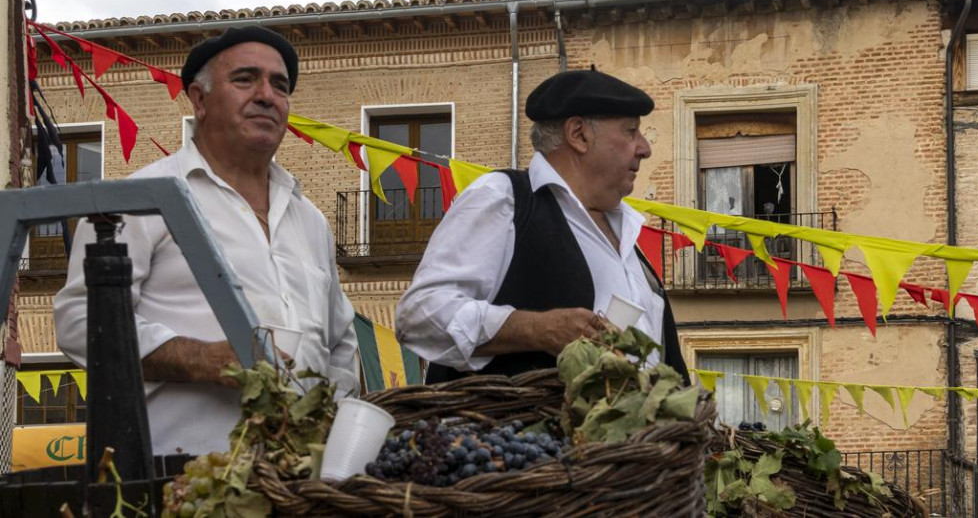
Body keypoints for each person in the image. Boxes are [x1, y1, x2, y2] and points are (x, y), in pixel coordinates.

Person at [54, 27, 359, 455]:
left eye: (280, 85)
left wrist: (333, 434)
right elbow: (78, 321)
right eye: (245, 79)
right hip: (178, 474)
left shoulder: (310, 221)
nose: (266, 96)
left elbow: (340, 343)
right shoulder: (139, 199)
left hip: (298, 478)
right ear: (199, 99)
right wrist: (198, 358)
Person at [395, 69, 689, 384]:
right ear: (579, 135)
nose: (645, 148)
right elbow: (419, 315)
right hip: (513, 415)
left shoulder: (628, 234)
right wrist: (536, 329)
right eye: (631, 131)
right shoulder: (505, 198)